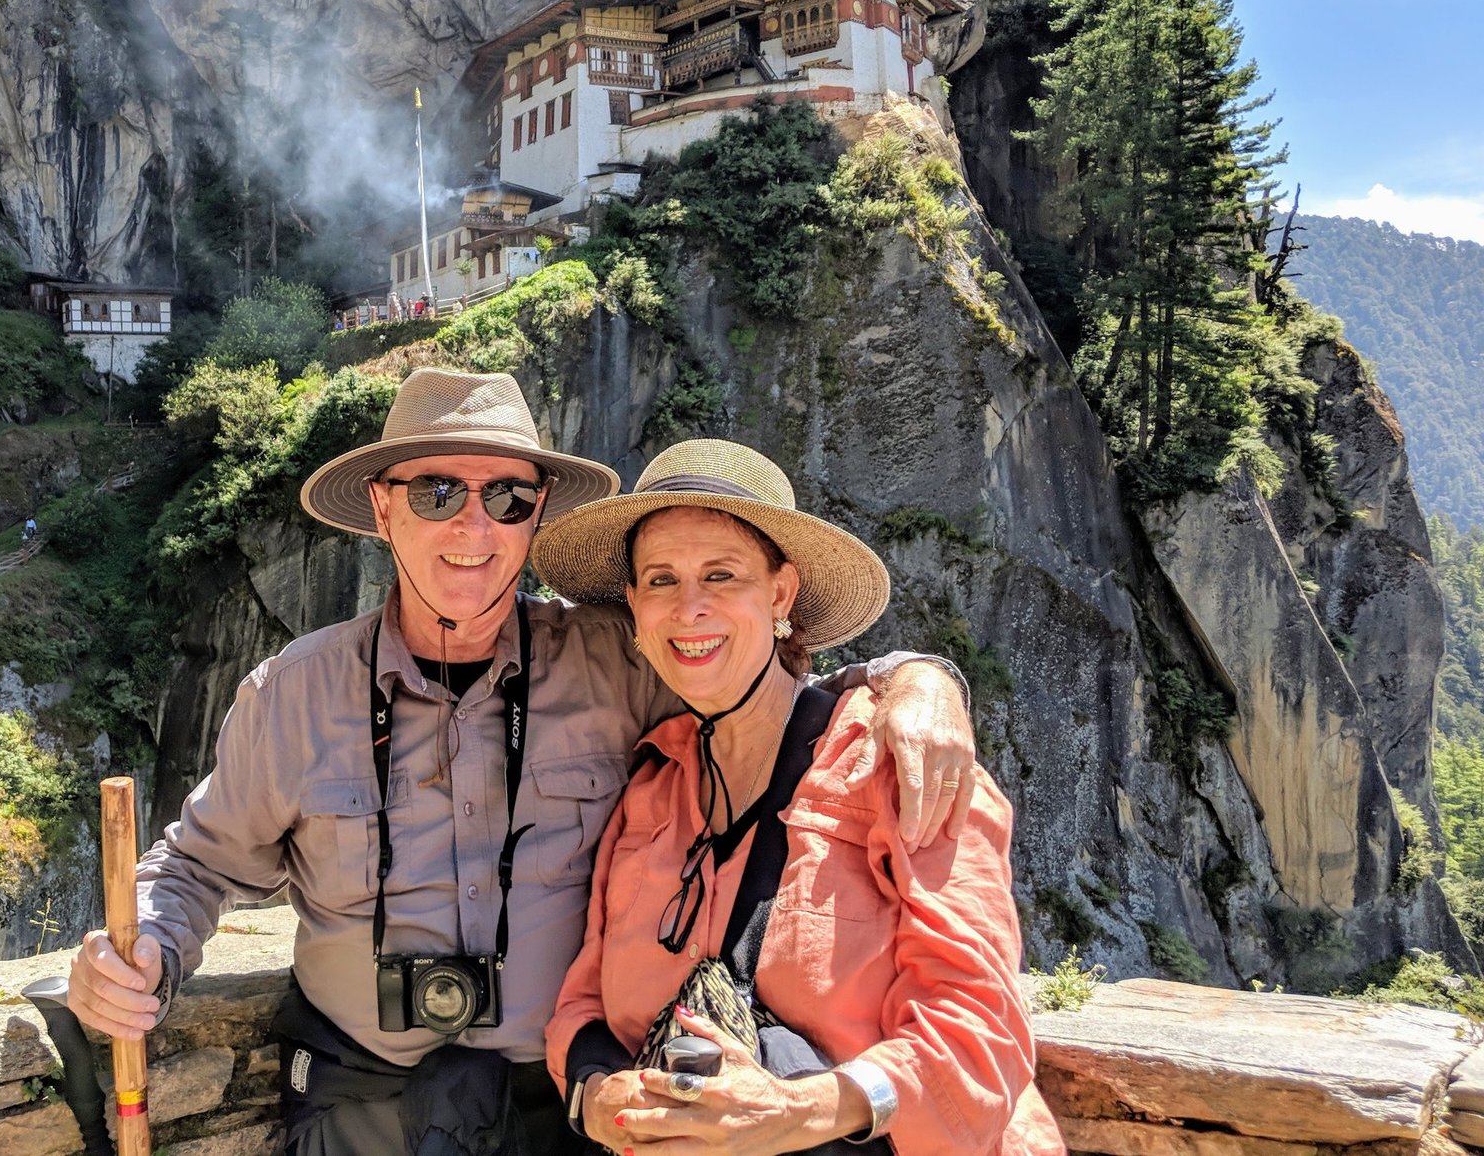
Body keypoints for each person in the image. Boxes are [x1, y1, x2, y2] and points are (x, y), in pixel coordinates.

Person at [65, 368, 977, 1156]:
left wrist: (918, 677)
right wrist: (139, 950)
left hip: (560, 1106)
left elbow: (766, 674)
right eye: (436, 493)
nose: (475, 524)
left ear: (536, 512)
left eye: (507, 495)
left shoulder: (619, 659)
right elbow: (196, 865)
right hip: (358, 1104)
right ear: (383, 507)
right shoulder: (291, 695)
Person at [538, 439, 1064, 1155]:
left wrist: (797, 1111)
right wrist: (597, 1094)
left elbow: (981, 1037)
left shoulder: (899, 763)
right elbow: (583, 1005)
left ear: (780, 593)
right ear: (634, 606)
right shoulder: (652, 787)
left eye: (721, 575)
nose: (689, 607)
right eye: (661, 580)